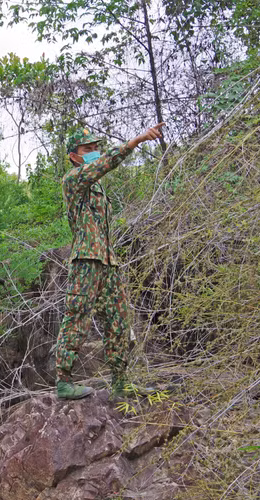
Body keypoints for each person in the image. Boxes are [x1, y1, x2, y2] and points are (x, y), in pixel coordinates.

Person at [55, 123, 165, 400]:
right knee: (77, 317)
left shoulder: (97, 188)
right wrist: (136, 140)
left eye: (95, 148)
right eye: (87, 149)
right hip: (86, 260)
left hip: (107, 260)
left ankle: (120, 383)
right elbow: (106, 163)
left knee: (118, 320)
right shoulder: (73, 179)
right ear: (74, 156)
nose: (94, 152)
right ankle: (64, 382)